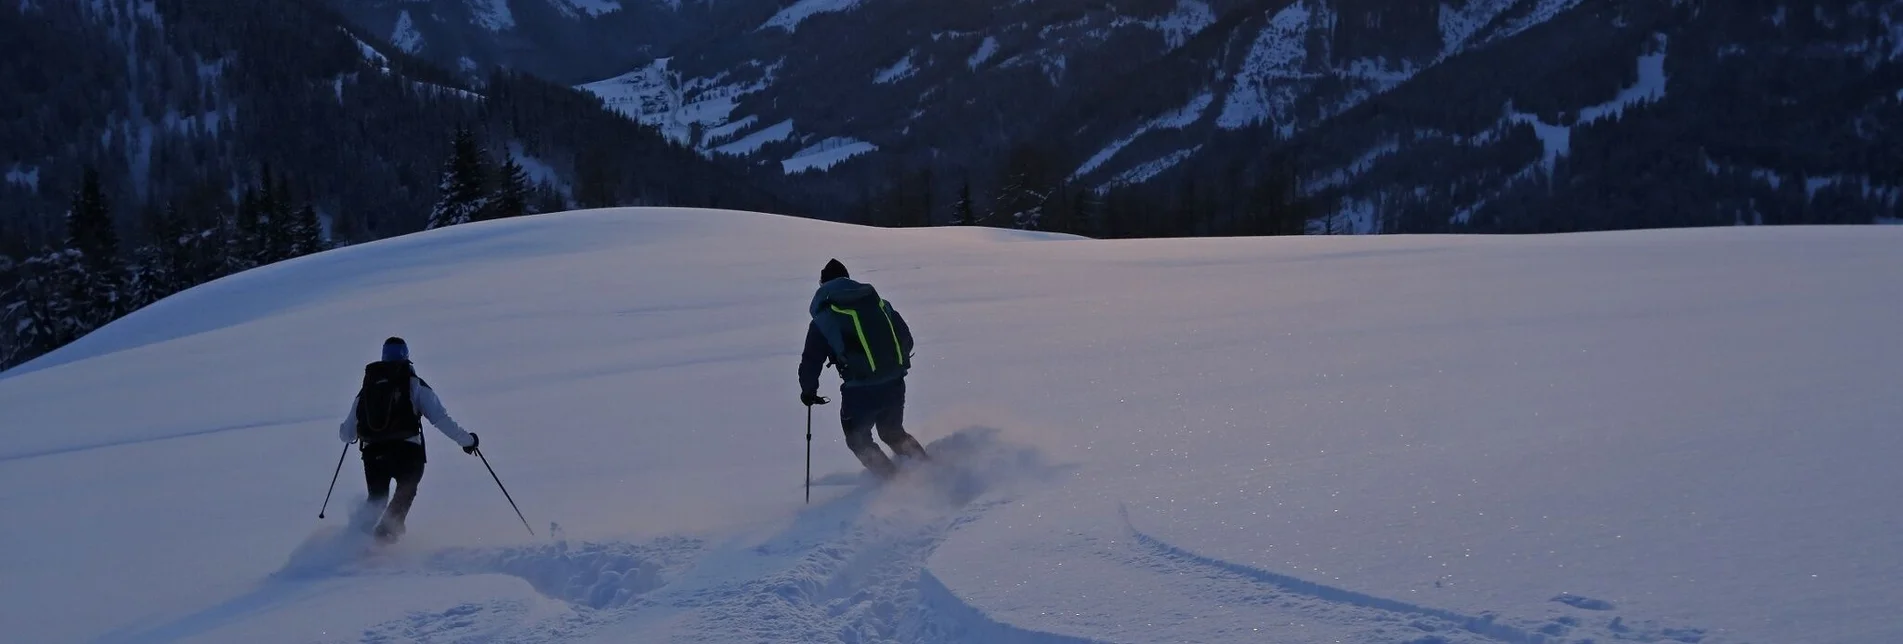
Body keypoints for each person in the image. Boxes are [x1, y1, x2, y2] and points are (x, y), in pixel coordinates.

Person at [338, 337, 479, 543]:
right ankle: (385, 537)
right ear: (406, 355)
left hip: (373, 454)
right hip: (408, 452)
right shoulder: (414, 384)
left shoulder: (367, 389)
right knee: (406, 490)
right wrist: (467, 441)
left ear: (383, 355)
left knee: (377, 498)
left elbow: (347, 434)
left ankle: (355, 542)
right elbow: (440, 419)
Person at [799, 259, 928, 479]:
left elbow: (811, 359)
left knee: (858, 440)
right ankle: (929, 471)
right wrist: (895, 365)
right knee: (892, 432)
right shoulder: (879, 304)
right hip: (894, 382)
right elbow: (906, 338)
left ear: (823, 284)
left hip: (859, 390)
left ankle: (891, 482)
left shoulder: (824, 318)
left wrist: (808, 391)